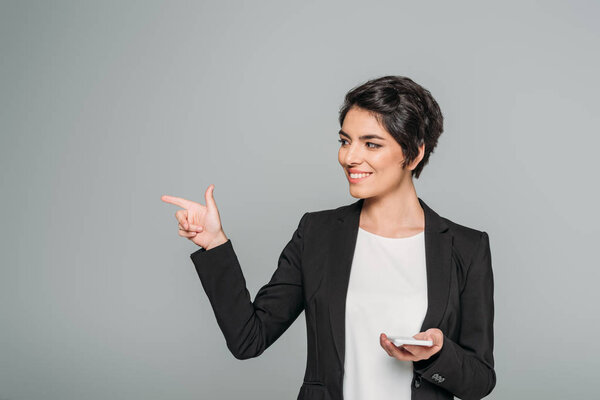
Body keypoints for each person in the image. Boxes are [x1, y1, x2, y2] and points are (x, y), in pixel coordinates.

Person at [161, 76, 496, 400]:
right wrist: (214, 243)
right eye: (345, 140)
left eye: (371, 144)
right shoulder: (316, 234)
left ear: (414, 154)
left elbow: (479, 381)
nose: (349, 157)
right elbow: (249, 339)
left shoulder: (466, 248)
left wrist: (437, 354)